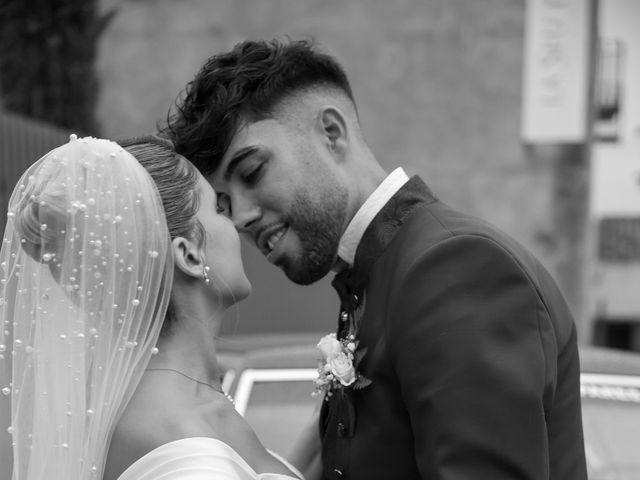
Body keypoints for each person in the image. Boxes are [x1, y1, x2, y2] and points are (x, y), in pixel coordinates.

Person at [165, 38, 589, 480]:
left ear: (332, 132)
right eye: (226, 206)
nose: (243, 219)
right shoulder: (376, 278)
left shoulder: (457, 267)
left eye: (252, 172)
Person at [0, 135, 304, 480]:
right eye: (218, 209)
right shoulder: (178, 445)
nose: (235, 224)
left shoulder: (185, 406)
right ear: (189, 255)